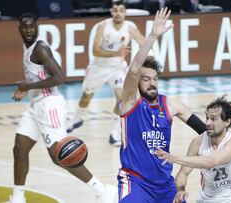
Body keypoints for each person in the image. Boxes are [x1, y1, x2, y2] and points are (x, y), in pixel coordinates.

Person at [11, 13, 116, 203]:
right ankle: (18, 198)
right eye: (24, 27)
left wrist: (27, 86)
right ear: (19, 29)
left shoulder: (40, 48)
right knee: (19, 149)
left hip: (49, 105)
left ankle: (103, 190)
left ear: (37, 27)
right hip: (35, 106)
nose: (28, 30)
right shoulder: (27, 48)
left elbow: (59, 78)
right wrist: (26, 88)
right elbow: (40, 77)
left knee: (59, 155)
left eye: (31, 27)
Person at [117, 8, 206, 202]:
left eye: (155, 79)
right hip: (135, 182)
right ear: (138, 83)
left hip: (165, 184)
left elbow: (204, 131)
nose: (152, 83)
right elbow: (133, 71)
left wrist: (187, 170)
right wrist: (152, 36)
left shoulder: (171, 104)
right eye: (146, 79)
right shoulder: (131, 102)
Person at [66, 0, 146, 146]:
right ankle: (77, 119)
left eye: (121, 10)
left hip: (118, 69)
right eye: (115, 10)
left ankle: (115, 134)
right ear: (111, 12)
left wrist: (152, 40)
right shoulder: (103, 26)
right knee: (86, 96)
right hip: (98, 67)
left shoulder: (130, 27)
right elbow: (95, 50)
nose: (118, 13)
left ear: (125, 12)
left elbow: (144, 42)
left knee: (122, 99)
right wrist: (115, 53)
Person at [155, 96, 231, 203]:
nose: (208, 123)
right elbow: (183, 173)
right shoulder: (198, 142)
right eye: (207, 118)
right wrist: (180, 190)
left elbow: (211, 161)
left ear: (227, 122)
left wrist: (174, 158)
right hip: (207, 199)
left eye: (213, 119)